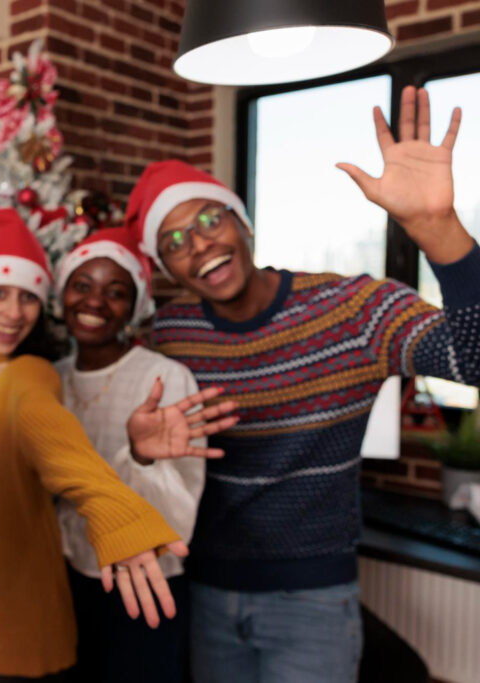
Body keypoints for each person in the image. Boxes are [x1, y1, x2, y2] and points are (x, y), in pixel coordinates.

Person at [125, 86, 480, 682]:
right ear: (168, 270)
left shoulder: (353, 310)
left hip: (314, 601)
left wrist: (439, 230)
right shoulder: (169, 334)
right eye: (175, 242)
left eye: (210, 219)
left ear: (243, 220)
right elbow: (121, 447)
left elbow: (472, 362)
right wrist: (137, 447)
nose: (201, 243)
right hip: (205, 591)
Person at [0, 208, 234, 681]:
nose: (13, 311)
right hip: (39, 583)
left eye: (116, 292)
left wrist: (121, 511)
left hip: (136, 577)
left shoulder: (38, 375)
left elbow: (65, 458)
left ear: (135, 307)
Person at [53, 227, 236, 682]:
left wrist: (142, 455)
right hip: (65, 581)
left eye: (116, 292)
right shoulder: (47, 378)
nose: (95, 302)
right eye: (82, 286)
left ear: (134, 309)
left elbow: (181, 506)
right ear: (62, 295)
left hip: (146, 583)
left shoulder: (163, 378)